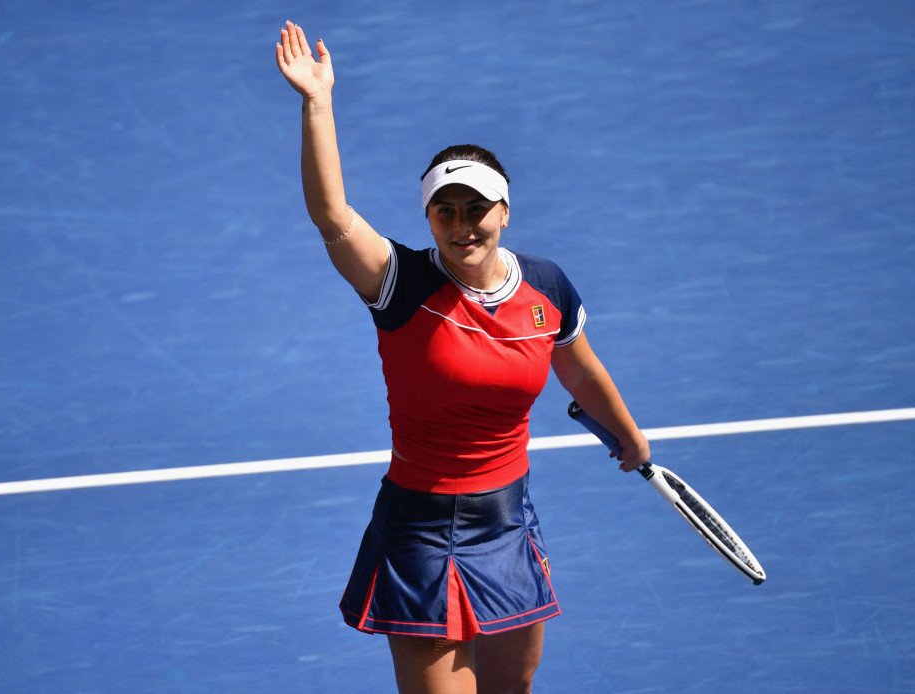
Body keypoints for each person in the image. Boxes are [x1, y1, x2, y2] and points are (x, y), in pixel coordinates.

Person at [276, 21, 650, 694]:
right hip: (419, 528)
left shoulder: (547, 288)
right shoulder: (403, 285)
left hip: (507, 517)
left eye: (475, 207)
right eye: (443, 210)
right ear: (429, 222)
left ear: (504, 211)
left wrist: (626, 432)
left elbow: (580, 368)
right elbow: (332, 216)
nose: (460, 223)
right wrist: (317, 101)